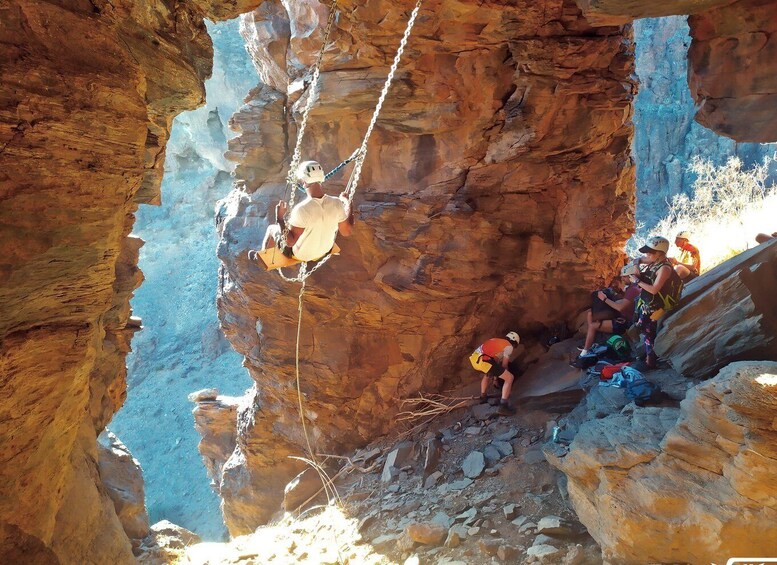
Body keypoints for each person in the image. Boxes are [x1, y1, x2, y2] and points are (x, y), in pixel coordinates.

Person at [251, 160, 354, 263]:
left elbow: (290, 242)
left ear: (304, 182)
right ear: (321, 179)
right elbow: (346, 232)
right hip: (325, 251)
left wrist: (280, 219)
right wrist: (348, 203)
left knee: (271, 229)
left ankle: (261, 259)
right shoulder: (337, 203)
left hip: (301, 255)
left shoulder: (302, 209)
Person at [630, 236, 683, 370]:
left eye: (650, 252)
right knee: (642, 326)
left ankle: (650, 361)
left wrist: (637, 281)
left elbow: (654, 290)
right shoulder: (654, 260)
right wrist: (636, 266)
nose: (647, 255)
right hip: (649, 302)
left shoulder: (664, 268)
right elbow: (638, 259)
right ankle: (646, 352)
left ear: (660, 253)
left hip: (658, 305)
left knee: (648, 331)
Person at [578, 264, 641, 357]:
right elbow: (623, 302)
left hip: (625, 322)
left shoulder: (633, 290)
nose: (622, 279)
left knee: (593, 325)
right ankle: (592, 342)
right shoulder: (633, 288)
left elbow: (620, 307)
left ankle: (585, 352)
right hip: (623, 315)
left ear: (630, 276)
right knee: (590, 314)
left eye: (624, 277)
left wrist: (604, 299)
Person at [468, 332, 520, 416]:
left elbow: (494, 364)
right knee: (509, 378)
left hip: (475, 360)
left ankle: (483, 397)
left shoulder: (497, 341)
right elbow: (504, 365)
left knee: (488, 374)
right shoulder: (508, 346)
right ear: (514, 342)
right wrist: (505, 377)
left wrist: (495, 379)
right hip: (484, 360)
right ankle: (503, 406)